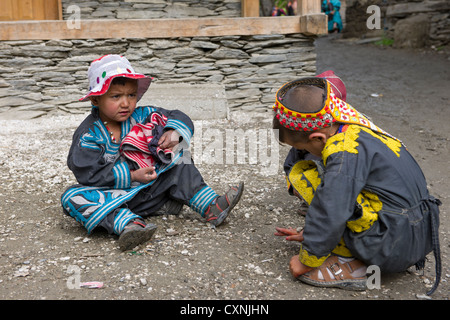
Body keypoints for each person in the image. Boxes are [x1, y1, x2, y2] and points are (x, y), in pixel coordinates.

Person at [272, 76, 441, 295]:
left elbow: (331, 208)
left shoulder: (343, 153)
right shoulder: (352, 125)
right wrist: (311, 232)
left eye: (298, 146)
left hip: (394, 247)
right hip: (417, 232)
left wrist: (308, 258)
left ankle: (354, 265)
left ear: (317, 138)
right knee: (337, 189)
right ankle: (341, 244)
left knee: (308, 176)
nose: (299, 151)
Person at [61, 54, 244, 251]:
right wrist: (131, 175)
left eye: (131, 95)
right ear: (96, 100)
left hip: (152, 187)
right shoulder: (89, 135)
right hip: (112, 198)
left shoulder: (143, 115)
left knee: (180, 154)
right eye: (116, 96)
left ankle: (210, 206)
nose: (126, 103)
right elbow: (87, 172)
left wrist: (173, 132)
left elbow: (177, 115)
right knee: (71, 197)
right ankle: (129, 225)